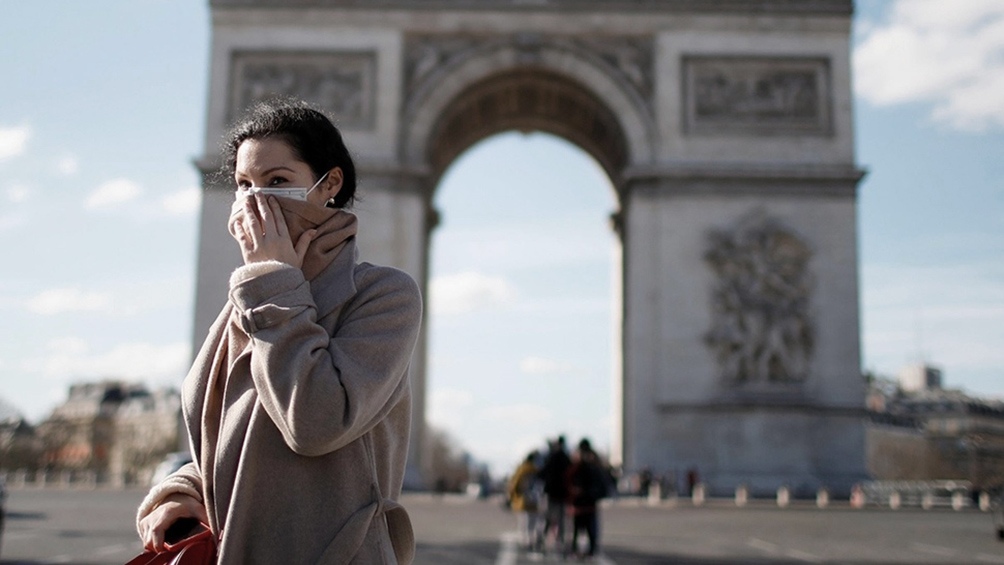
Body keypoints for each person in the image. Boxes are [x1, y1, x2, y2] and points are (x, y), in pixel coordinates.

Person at [135, 98, 423, 564]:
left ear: (329, 184)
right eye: (243, 184)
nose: (254, 201)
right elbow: (232, 439)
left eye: (277, 182)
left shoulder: (383, 296)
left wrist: (272, 279)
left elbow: (313, 424)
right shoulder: (244, 304)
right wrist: (181, 489)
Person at [566, 438, 608, 559]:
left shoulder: (591, 465)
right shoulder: (579, 466)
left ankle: (586, 550)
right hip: (582, 504)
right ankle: (582, 550)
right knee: (581, 531)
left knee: (585, 531)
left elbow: (600, 483)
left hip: (586, 503)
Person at [538, 435, 571, 552]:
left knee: (547, 518)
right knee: (560, 520)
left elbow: (541, 474)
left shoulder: (551, 457)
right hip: (562, 494)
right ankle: (559, 542)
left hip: (551, 493)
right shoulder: (566, 458)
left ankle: (540, 541)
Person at [507, 451, 543, 552]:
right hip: (535, 499)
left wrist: (512, 496)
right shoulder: (537, 470)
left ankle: (526, 541)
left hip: (523, 499)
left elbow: (514, 484)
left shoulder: (522, 469)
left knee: (524, 522)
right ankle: (532, 540)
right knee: (533, 522)